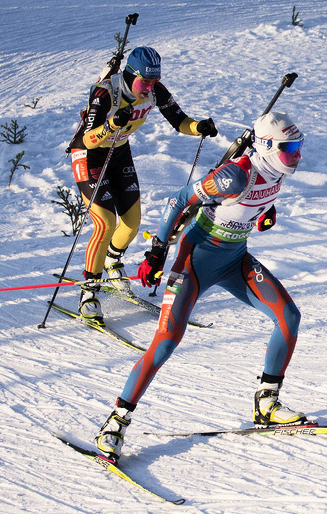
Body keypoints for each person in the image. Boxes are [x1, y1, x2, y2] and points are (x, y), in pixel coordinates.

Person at [94, 111, 307, 462]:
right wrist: (157, 252)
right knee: (165, 343)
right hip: (195, 261)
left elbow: (254, 204)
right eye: (290, 147)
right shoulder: (234, 176)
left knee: (289, 317)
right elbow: (177, 202)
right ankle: (115, 423)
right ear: (267, 146)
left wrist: (265, 214)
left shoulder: (275, 169)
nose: (297, 154)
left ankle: (266, 404)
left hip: (236, 259)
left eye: (299, 146)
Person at [68, 46, 218, 323]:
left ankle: (112, 262)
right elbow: (87, 139)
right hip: (90, 155)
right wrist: (112, 124)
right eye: (145, 82)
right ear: (129, 75)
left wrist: (199, 127)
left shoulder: (154, 90)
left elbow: (179, 120)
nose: (150, 88)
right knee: (104, 223)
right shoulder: (104, 92)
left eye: (154, 82)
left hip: (119, 152)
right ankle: (89, 292)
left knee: (132, 222)